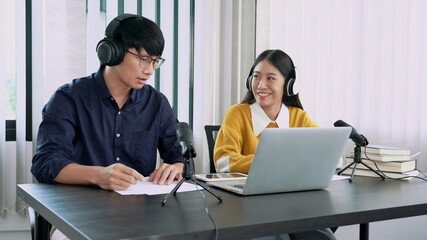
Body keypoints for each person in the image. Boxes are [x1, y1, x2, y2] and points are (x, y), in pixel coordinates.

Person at [31, 14, 184, 192]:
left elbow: (179, 156)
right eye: (143, 59)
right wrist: (99, 175)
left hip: (141, 210)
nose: (149, 70)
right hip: (82, 209)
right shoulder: (69, 98)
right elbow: (46, 163)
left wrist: (176, 167)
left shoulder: (156, 103)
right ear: (112, 52)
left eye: (155, 61)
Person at [214, 49, 337, 240]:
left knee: (322, 236)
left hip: (295, 204)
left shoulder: (299, 117)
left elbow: (327, 154)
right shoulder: (237, 113)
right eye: (256, 77)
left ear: (289, 85)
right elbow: (223, 162)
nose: (261, 85)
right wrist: (270, 164)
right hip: (249, 206)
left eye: (270, 78)